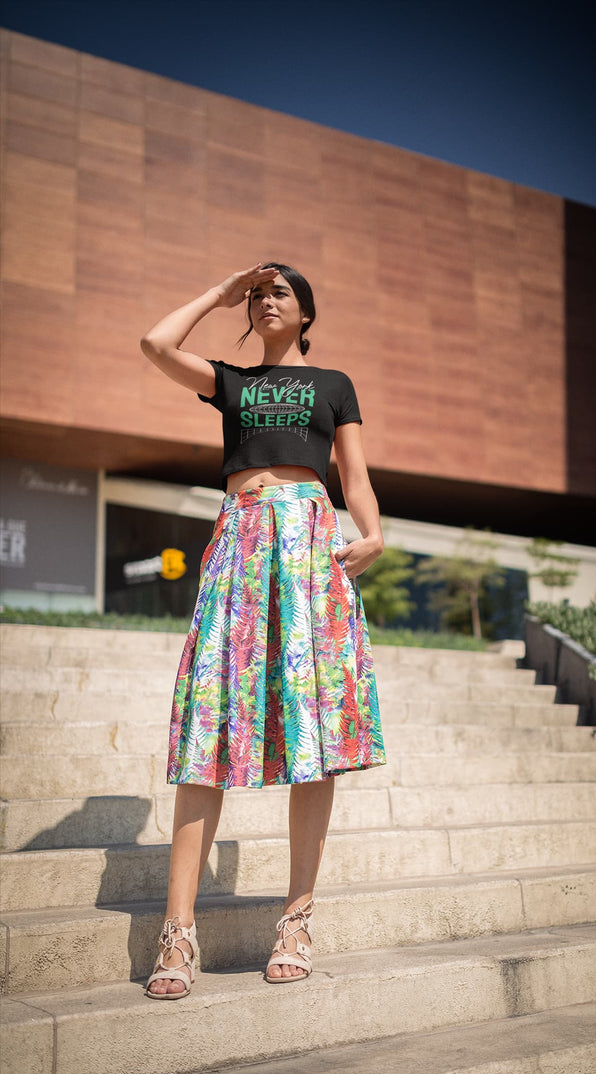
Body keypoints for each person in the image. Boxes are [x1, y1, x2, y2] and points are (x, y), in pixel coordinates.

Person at [140, 262, 386, 997]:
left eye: (280, 292)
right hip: (240, 536)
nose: (265, 299)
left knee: (310, 727)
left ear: (307, 313)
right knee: (207, 720)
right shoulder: (233, 382)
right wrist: (219, 292)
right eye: (258, 293)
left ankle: (297, 917)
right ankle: (177, 931)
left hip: (310, 541)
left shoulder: (333, 384)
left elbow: (355, 472)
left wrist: (372, 533)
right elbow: (154, 343)